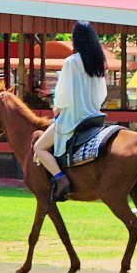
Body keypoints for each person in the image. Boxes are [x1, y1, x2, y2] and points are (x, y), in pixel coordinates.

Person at [32, 22, 108, 202]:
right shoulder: (98, 63)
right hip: (94, 116)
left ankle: (60, 178)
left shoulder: (71, 62)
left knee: (39, 147)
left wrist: (57, 107)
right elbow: (101, 94)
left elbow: (64, 95)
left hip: (73, 118)